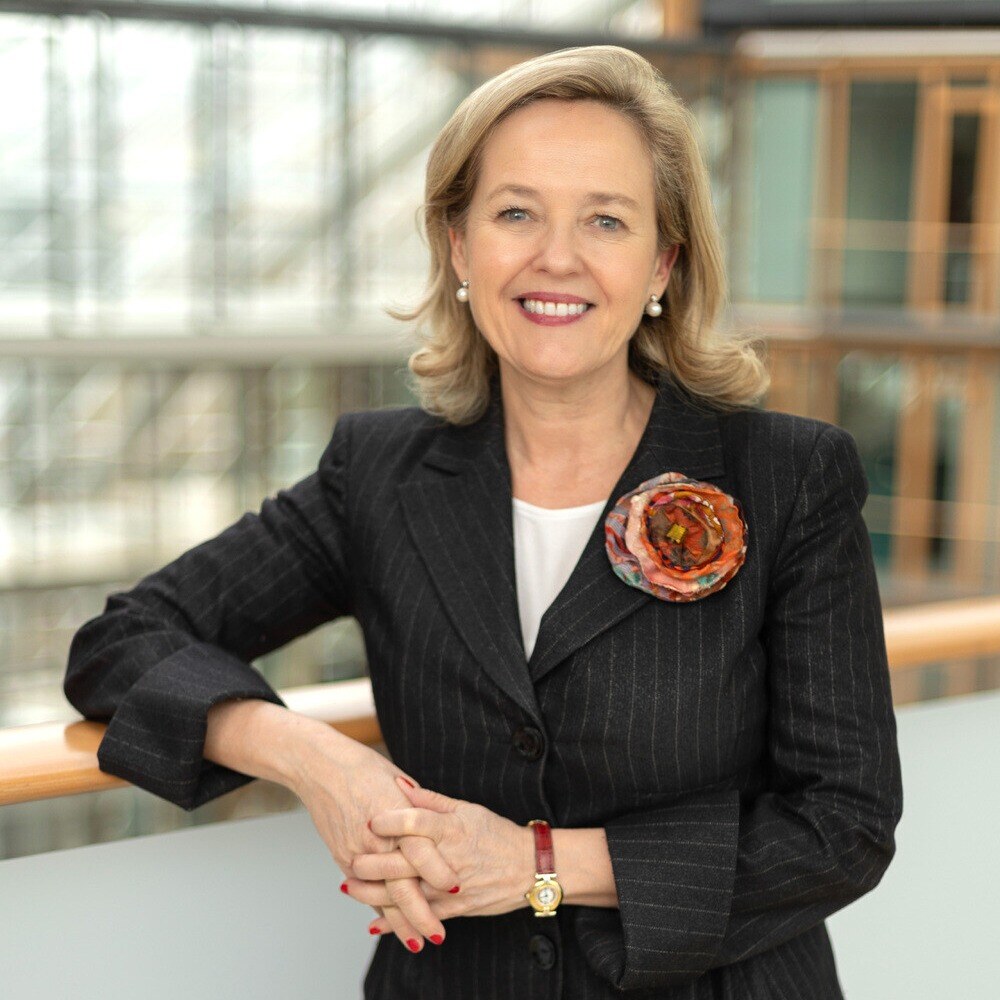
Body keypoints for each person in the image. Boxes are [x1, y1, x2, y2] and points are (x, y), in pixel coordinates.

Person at [64, 44, 903, 1000]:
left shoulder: (789, 476)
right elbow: (118, 644)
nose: (557, 257)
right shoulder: (378, 473)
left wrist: (538, 866)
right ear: (460, 247)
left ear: (662, 263)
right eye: (515, 213)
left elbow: (845, 824)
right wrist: (317, 760)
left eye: (606, 219)